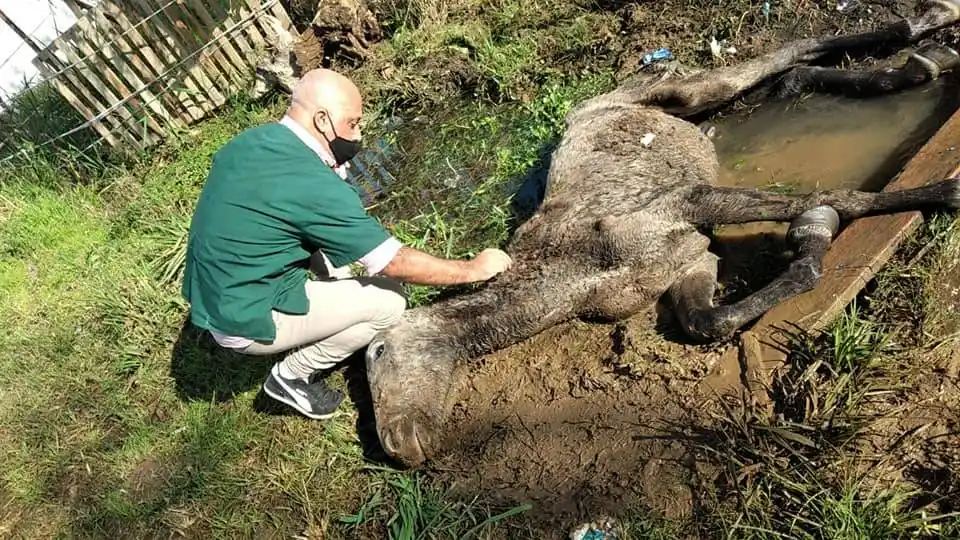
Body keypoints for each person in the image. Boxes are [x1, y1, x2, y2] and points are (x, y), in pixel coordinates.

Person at [181, 68, 512, 420]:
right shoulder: (311, 183)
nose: (359, 134)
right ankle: (292, 377)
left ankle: (322, 308)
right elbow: (392, 262)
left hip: (217, 295)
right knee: (389, 298)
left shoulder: (252, 142)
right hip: (243, 320)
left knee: (335, 258)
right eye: (353, 123)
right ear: (322, 119)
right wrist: (473, 268)